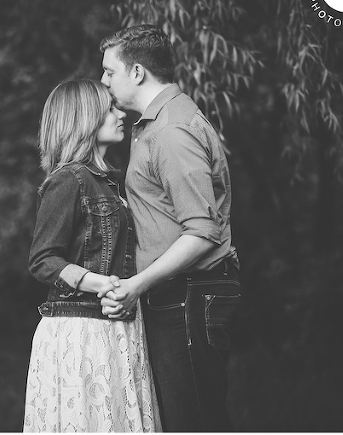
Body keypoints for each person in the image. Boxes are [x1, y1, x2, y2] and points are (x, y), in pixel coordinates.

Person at [97, 24, 241, 431]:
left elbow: (201, 233)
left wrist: (136, 285)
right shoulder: (154, 126)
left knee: (194, 422)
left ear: (137, 72)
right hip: (181, 295)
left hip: (190, 295)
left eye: (110, 72)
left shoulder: (171, 132)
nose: (104, 81)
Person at [23, 79, 162, 433]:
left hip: (117, 326)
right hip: (81, 332)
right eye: (111, 109)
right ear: (85, 118)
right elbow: (43, 259)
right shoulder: (69, 180)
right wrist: (104, 284)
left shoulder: (109, 183)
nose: (121, 114)